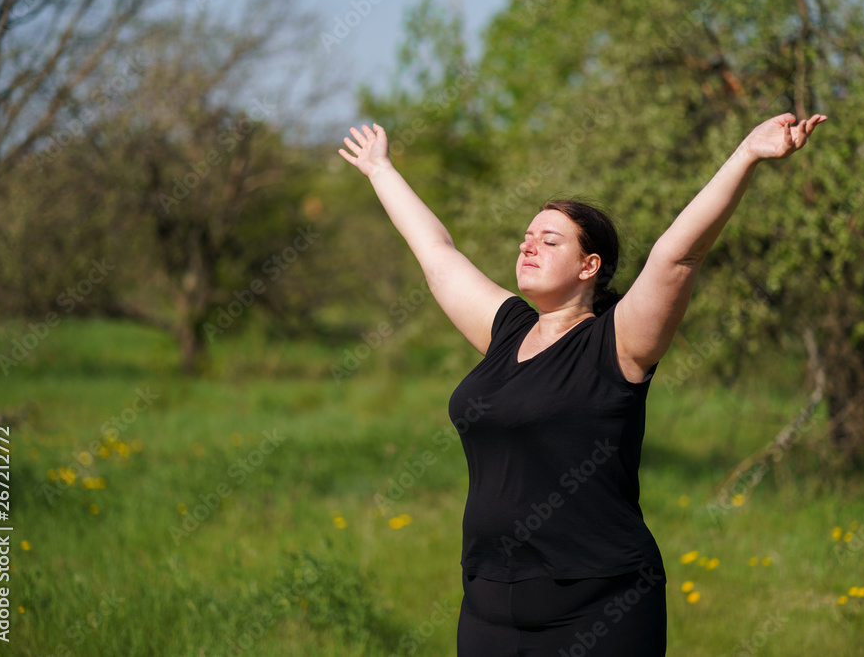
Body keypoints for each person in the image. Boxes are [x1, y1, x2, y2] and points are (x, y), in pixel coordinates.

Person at [339, 112, 826, 656]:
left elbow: (676, 255)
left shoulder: (619, 345)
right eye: (526, 238)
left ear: (589, 265)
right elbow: (438, 255)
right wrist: (380, 169)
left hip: (599, 605)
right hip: (488, 602)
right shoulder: (506, 331)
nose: (528, 247)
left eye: (549, 241)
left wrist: (747, 155)